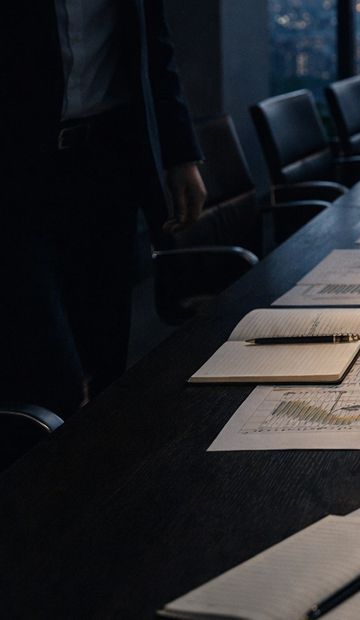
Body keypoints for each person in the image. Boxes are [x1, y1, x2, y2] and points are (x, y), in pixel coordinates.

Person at [0, 1, 206, 416]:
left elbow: (156, 51)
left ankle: (96, 475)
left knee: (107, 349)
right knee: (50, 370)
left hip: (106, 169)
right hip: (18, 174)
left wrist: (181, 155)